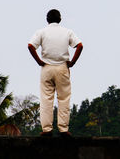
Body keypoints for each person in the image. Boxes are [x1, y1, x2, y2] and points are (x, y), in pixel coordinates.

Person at [28, 9, 83, 137]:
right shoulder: (67, 32)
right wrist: (72, 62)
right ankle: (63, 129)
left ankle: (47, 129)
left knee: (46, 99)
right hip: (62, 67)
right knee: (63, 98)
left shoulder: (41, 32)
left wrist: (38, 61)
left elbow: (31, 46)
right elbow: (79, 46)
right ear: (60, 19)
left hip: (46, 67)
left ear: (47, 20)